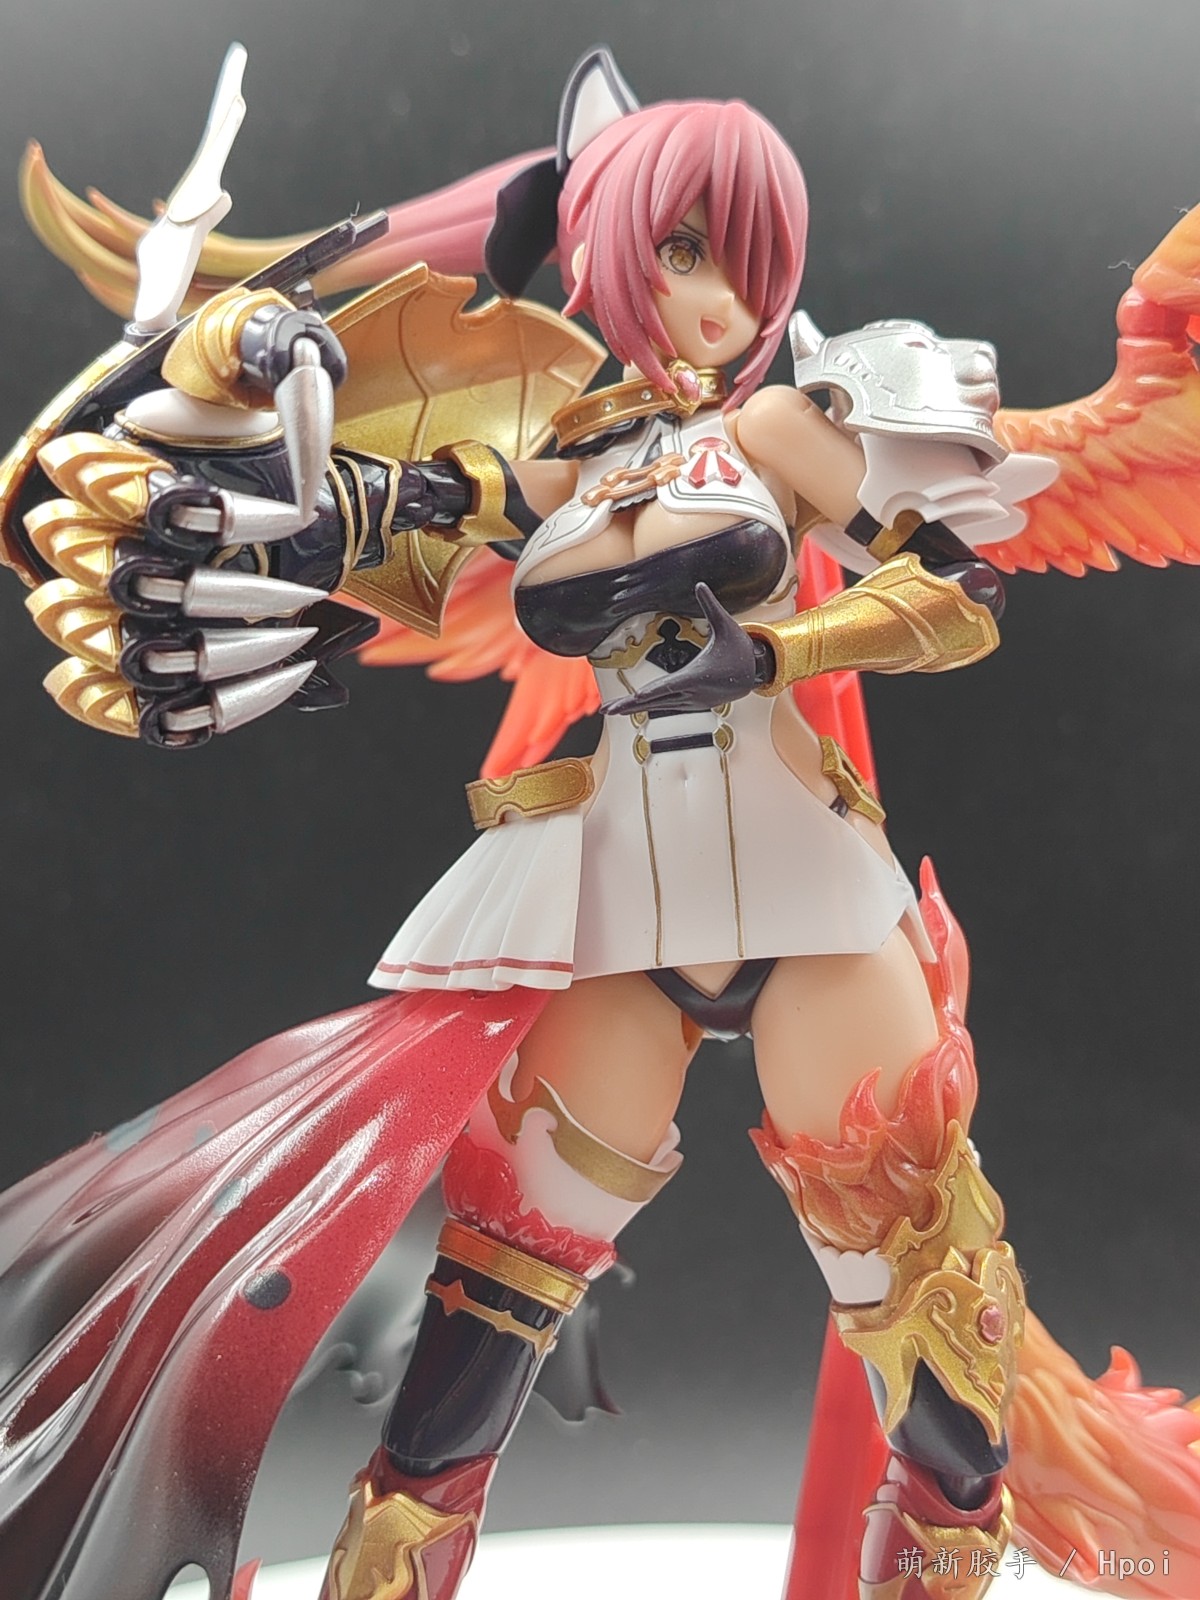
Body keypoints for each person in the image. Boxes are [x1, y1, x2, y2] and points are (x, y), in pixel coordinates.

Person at [3, 44, 1200, 1600]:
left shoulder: (792, 429)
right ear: (611, 252)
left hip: (810, 907)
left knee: (937, 1362)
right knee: (466, 1362)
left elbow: (951, 599)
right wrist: (224, 453)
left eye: (746, 262)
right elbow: (360, 519)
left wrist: (780, 652)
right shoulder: (541, 458)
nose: (719, 300)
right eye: (685, 249)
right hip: (616, 914)